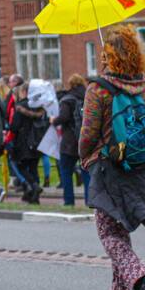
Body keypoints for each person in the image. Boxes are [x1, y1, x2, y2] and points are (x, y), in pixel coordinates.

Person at [80, 23, 145, 290]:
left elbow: (88, 133)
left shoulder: (98, 89)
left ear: (109, 55)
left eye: (104, 52)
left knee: (108, 232)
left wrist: (85, 157)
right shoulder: (141, 85)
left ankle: (139, 277)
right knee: (119, 228)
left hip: (107, 165)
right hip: (135, 164)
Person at [53, 74, 90, 206]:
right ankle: (89, 201)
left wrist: (53, 121)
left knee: (66, 171)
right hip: (85, 139)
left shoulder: (67, 99)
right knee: (86, 172)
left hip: (69, 141)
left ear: (70, 84)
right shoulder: (88, 97)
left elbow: (63, 117)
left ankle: (69, 201)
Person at [9, 82, 48, 204]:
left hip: (24, 141)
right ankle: (34, 197)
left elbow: (14, 126)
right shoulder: (39, 106)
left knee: (21, 166)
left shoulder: (21, 106)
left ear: (24, 92)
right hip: (37, 141)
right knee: (33, 167)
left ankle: (34, 186)